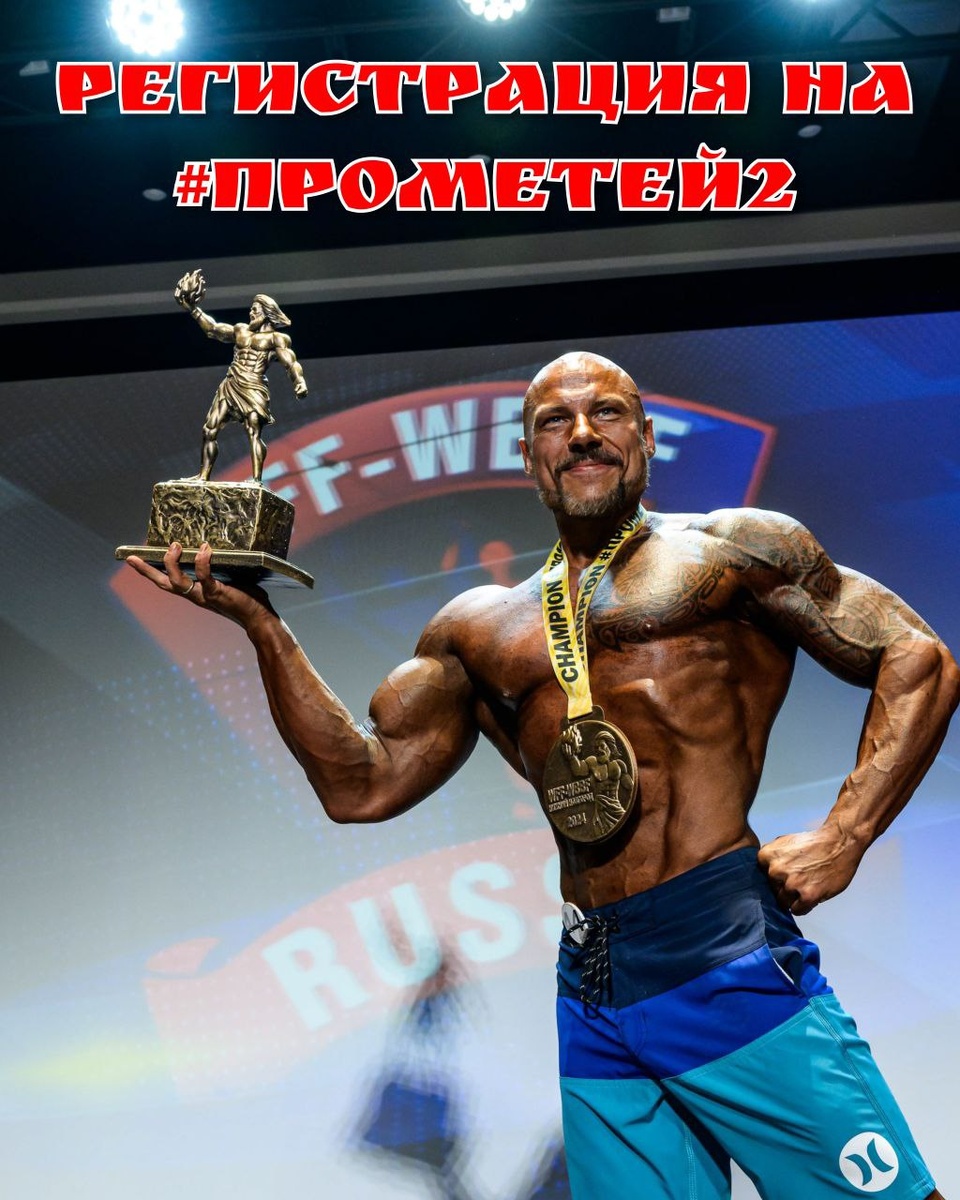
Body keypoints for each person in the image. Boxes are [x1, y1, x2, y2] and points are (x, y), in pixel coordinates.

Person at [127, 351, 958, 1200]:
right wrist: (263, 629)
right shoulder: (480, 630)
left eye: (607, 413)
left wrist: (846, 834)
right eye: (555, 422)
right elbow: (361, 785)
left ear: (646, 438)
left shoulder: (733, 550)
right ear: (529, 457)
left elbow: (916, 658)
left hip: (721, 950)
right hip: (592, 985)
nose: (583, 434)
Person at [174, 269, 308, 483]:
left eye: (255, 310)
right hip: (231, 384)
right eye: (251, 310)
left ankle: (256, 479)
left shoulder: (276, 338)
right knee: (209, 429)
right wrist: (193, 309)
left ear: (266, 312)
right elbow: (213, 329)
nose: (251, 314)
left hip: (254, 386)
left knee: (253, 431)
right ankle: (203, 476)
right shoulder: (241, 331)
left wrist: (299, 381)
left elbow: (290, 362)